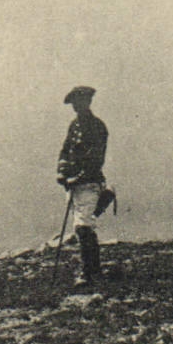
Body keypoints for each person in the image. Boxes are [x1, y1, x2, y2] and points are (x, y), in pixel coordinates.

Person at [57, 85, 109, 287]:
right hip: (74, 186)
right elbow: (65, 150)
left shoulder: (98, 127)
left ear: (88, 102)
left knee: (83, 227)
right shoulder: (74, 126)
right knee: (81, 227)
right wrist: (61, 172)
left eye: (79, 102)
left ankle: (87, 272)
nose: (76, 107)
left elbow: (96, 159)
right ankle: (94, 270)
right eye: (74, 104)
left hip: (89, 183)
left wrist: (77, 177)